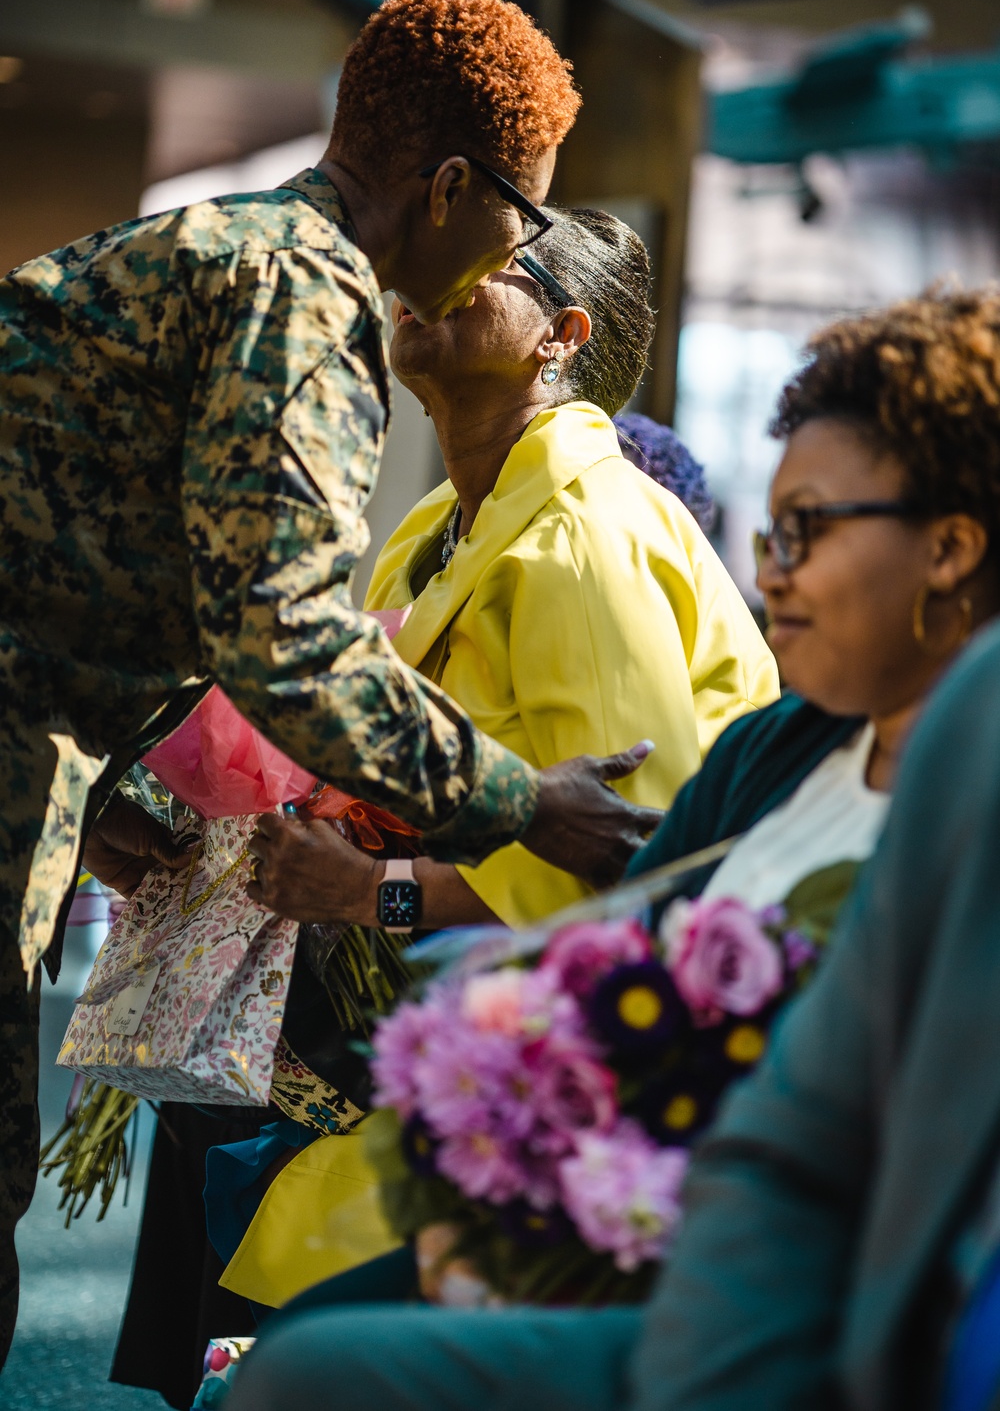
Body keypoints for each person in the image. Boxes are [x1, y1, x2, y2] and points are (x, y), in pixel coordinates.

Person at [0, 0, 662, 1369]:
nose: (513, 249)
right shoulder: (305, 296)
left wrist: (102, 769)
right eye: (525, 215)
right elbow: (281, 634)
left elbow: (82, 550)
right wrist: (526, 804)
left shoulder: (203, 245)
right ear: (451, 188)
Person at [224, 286, 1000, 1411]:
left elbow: (564, 898)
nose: (768, 573)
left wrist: (377, 893)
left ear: (950, 548)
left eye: (806, 534)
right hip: (639, 1221)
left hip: (778, 1279)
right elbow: (608, 956)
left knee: (308, 1369)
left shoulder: (580, 540)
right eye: (767, 535)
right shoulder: (779, 755)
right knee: (300, 1354)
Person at [247, 208, 777, 932]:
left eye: (484, 260)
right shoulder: (437, 528)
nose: (425, 275)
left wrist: (368, 892)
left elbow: (629, 872)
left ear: (559, 336)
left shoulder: (583, 535)